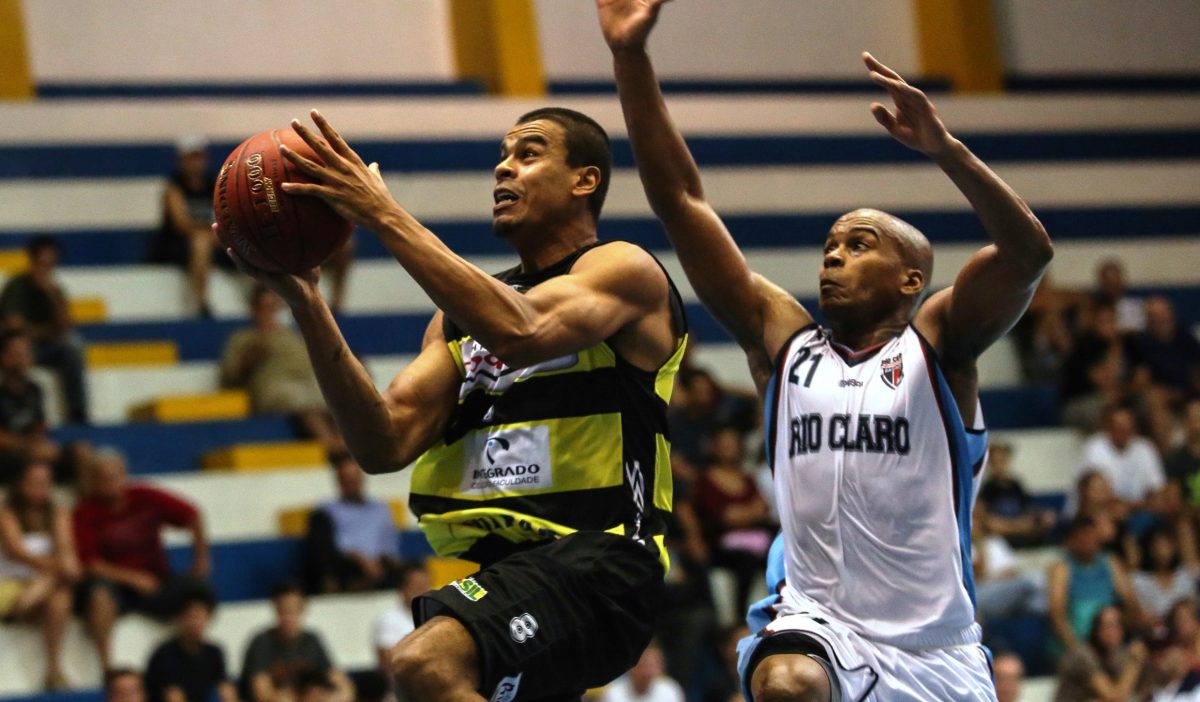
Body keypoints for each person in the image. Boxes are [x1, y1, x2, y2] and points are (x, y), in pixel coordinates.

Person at [600, 2, 1054, 699]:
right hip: (817, 624)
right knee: (789, 683)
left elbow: (1028, 254)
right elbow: (681, 201)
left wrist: (946, 150)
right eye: (830, 247)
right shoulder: (784, 343)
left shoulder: (938, 346)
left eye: (858, 245)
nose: (833, 257)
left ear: (911, 279)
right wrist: (630, 58)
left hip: (936, 649)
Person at [222, 96, 686, 702]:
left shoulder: (622, 268)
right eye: (502, 156)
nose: (504, 167)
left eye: (528, 154)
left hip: (600, 559)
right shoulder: (458, 318)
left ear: (584, 180)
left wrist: (383, 213)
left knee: (425, 662)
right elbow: (383, 443)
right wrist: (308, 303)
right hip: (512, 567)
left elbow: (523, 330)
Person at [72, 448, 211, 670]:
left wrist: (201, 558)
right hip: (114, 583)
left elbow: (193, 515)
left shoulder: (145, 496)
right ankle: (106, 666)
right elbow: (91, 564)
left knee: (199, 590)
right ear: (94, 481)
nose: (110, 483)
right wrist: (133, 579)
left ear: (125, 475)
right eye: (104, 478)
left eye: (115, 476)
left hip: (156, 578)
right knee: (98, 596)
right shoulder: (85, 512)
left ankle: (197, 657)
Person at [220, 286, 344, 454]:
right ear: (253, 308)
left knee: (332, 397)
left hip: (306, 382)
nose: (268, 313)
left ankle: (344, 441)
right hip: (273, 387)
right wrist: (250, 358)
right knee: (299, 399)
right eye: (263, 307)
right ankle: (331, 445)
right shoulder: (243, 338)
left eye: (272, 307)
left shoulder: (291, 335)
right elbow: (231, 376)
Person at [0, 460, 79, 690]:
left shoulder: (58, 512)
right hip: (8, 585)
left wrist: (66, 564)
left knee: (60, 597)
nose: (41, 488)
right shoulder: (6, 513)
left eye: (46, 483)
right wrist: (57, 567)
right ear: (20, 484)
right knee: (56, 581)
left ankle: (54, 669)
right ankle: (20, 607)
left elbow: (66, 548)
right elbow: (16, 552)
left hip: (39, 593)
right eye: (34, 483)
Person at [0, 235, 89, 423]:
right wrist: (47, 331)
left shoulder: (56, 291)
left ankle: (78, 412)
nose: (46, 269)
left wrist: (52, 297)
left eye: (51, 264)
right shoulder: (17, 286)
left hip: (45, 348)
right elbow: (15, 327)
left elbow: (65, 327)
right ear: (32, 261)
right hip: (18, 348)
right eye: (42, 263)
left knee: (73, 345)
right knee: (19, 347)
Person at [693, 425, 774, 617]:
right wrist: (748, 513)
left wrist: (741, 515)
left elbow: (763, 508)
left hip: (757, 540)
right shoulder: (706, 479)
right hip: (721, 546)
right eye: (725, 444)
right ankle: (740, 619)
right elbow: (725, 517)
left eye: (734, 444)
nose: (730, 449)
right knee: (746, 561)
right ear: (714, 447)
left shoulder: (747, 478)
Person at [148, 136, 227, 318]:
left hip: (208, 239)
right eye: (190, 158)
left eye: (198, 157)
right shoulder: (173, 187)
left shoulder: (213, 185)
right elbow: (180, 224)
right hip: (176, 244)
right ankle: (201, 302)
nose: (195, 163)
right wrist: (210, 233)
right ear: (181, 160)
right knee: (200, 243)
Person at [302, 452, 400, 594]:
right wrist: (360, 560)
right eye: (347, 479)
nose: (352, 483)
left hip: (380, 567)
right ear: (339, 481)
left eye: (355, 478)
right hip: (346, 566)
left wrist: (376, 564)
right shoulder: (326, 511)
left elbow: (389, 547)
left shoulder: (380, 509)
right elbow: (326, 550)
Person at [239, 582, 353, 702]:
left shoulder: (312, 640)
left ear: (303, 609)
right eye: (284, 610)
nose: (289, 617)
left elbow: (343, 685)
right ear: (275, 608)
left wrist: (330, 697)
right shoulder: (261, 643)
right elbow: (262, 694)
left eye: (294, 610)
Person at [1047, 516, 1142, 655]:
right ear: (1072, 540)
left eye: (1091, 536)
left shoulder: (1110, 562)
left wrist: (1121, 635)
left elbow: (1131, 602)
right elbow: (1056, 614)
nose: (1088, 541)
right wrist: (1076, 648)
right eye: (1083, 537)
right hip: (1075, 645)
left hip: (1110, 640)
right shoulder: (1061, 568)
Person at [144, 588, 236, 702]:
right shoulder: (166, 654)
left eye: (200, 616)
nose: (196, 622)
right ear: (180, 618)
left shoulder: (214, 652)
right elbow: (174, 697)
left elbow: (226, 690)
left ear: (209, 618)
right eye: (191, 616)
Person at [1078, 405, 1167, 517]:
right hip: (1104, 512)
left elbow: (1158, 488)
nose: (1124, 432)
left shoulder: (1145, 447)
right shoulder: (1095, 447)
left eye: (1128, 428)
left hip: (1140, 511)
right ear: (1108, 429)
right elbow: (1092, 495)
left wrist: (1139, 505)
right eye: (1119, 427)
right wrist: (1128, 505)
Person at [1052, 605, 1146, 702]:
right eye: (1108, 626)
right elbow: (1115, 697)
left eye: (1117, 626)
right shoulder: (1082, 655)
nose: (1112, 633)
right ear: (1096, 630)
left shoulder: (1118, 654)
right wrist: (1135, 662)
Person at [0, 329, 60, 480]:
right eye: (17, 354)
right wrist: (26, 446)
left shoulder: (36, 389)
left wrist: (39, 443)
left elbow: (41, 426)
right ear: (3, 357)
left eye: (26, 353)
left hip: (31, 451)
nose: (23, 359)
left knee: (80, 452)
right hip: (6, 457)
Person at [977, 440, 1056, 547]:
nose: (1000, 466)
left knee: (1047, 518)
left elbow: (1028, 509)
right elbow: (988, 520)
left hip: (1020, 528)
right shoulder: (987, 488)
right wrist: (1013, 526)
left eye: (1003, 461)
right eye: (996, 462)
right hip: (1000, 535)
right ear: (989, 464)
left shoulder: (1016, 485)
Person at [372, 561, 432, 673]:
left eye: (426, 586)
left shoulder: (439, 617)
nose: (423, 592)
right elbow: (388, 661)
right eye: (417, 587)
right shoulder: (388, 620)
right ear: (402, 590)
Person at [1133, 524, 1200, 623]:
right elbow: (1141, 616)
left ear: (1175, 547)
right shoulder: (1139, 580)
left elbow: (1193, 607)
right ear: (1150, 549)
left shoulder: (1185, 575)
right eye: (1159, 546)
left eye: (1167, 545)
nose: (1164, 551)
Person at [599, 642, 685, 702]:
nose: (647, 671)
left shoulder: (671, 690)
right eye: (643, 665)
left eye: (652, 665)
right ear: (630, 667)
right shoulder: (612, 693)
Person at [1167, 400, 1200, 504]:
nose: (1198, 424)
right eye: (1194, 419)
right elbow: (1173, 499)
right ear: (1186, 422)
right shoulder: (1176, 459)